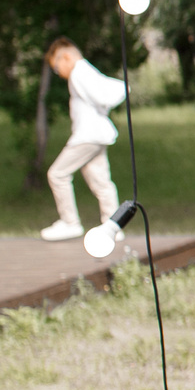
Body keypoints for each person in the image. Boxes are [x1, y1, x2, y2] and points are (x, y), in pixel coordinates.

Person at [39, 39, 126, 242]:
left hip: (88, 136)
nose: (58, 72)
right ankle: (113, 227)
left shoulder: (79, 72)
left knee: (57, 174)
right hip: (97, 135)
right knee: (101, 182)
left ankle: (70, 223)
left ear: (66, 57)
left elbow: (103, 96)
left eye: (56, 67)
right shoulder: (85, 71)